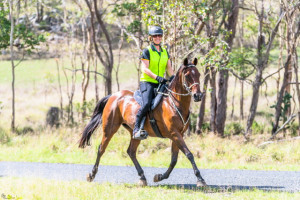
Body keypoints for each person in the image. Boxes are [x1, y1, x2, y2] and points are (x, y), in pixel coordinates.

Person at [133, 25, 174, 140]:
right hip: (148, 82)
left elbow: (169, 69)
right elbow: (145, 69)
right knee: (146, 104)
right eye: (155, 36)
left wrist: (173, 78)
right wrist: (157, 77)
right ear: (151, 38)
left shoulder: (165, 52)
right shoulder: (147, 51)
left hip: (160, 83)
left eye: (159, 35)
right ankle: (136, 129)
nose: (157, 37)